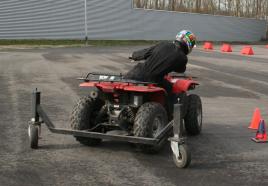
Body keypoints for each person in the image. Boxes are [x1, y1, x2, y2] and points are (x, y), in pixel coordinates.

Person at [124, 30, 196, 118]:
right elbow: (181, 70)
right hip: (153, 80)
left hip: (134, 74)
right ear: (188, 44)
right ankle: (170, 115)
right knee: (170, 88)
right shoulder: (182, 58)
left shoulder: (163, 44)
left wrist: (134, 55)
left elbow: (145, 52)